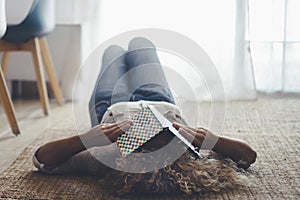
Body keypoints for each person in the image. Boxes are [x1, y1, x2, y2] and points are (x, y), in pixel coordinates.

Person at [33, 37, 257, 195]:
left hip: (110, 103)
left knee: (113, 51)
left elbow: (41, 160)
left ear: (132, 156)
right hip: (159, 98)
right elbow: (248, 156)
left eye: (146, 141)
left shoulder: (110, 158)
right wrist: (211, 140)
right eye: (165, 140)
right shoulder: (191, 153)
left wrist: (86, 140)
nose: (154, 131)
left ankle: (115, 53)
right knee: (141, 44)